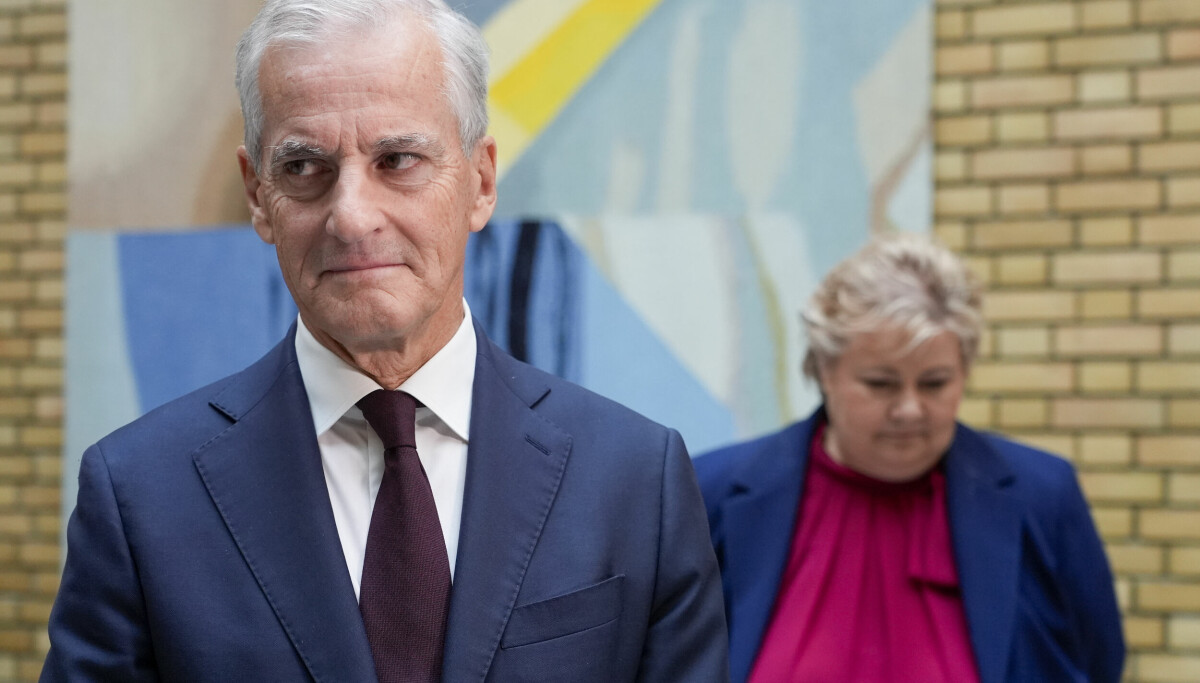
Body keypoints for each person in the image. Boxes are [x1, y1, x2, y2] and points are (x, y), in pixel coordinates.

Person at [41, 1, 728, 680]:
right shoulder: (141, 495)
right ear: (257, 196)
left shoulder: (637, 481)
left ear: (481, 182)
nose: (351, 217)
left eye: (398, 159)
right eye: (304, 168)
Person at [694, 234, 1124, 683]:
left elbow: (1096, 660)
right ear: (824, 371)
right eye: (881, 383)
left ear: (964, 370)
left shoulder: (1043, 495)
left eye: (935, 383)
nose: (909, 409)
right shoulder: (713, 492)